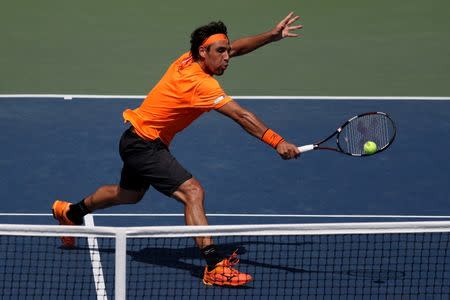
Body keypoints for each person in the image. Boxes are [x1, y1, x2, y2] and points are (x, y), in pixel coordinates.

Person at [52, 12, 302, 287]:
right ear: (203, 52)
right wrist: (277, 141)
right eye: (221, 52)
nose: (227, 57)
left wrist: (271, 36)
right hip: (144, 145)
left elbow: (236, 47)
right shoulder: (200, 84)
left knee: (129, 195)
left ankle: (70, 212)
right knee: (193, 192)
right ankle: (214, 266)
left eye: (226, 51)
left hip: (135, 139)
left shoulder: (189, 58)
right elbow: (241, 116)